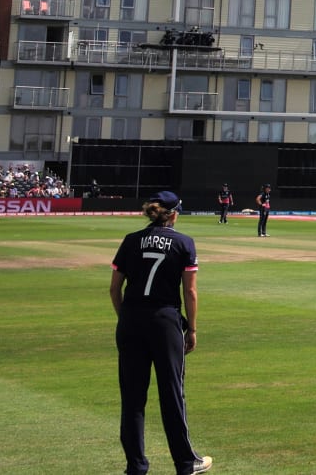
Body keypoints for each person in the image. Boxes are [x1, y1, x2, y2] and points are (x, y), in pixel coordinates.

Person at [110, 191, 213, 475]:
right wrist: (192, 328)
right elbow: (189, 291)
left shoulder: (131, 240)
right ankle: (185, 462)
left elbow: (114, 289)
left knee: (132, 397)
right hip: (165, 321)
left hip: (131, 320)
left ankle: (136, 466)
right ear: (174, 214)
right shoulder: (183, 242)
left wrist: (127, 318)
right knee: (172, 393)